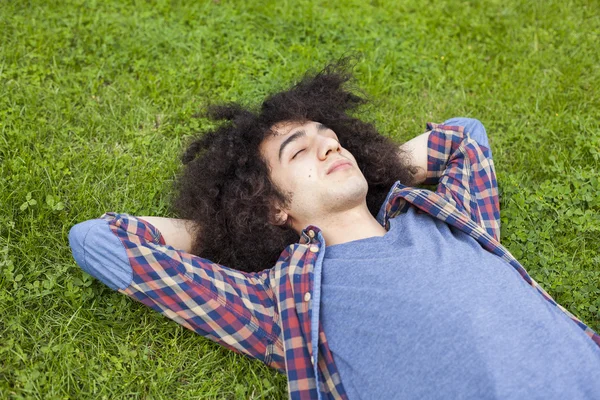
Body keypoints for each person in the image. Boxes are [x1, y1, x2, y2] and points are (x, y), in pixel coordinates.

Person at [68, 62, 600, 400]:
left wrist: (381, 170)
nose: (329, 146)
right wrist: (233, 227)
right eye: (298, 151)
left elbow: (464, 137)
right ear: (273, 205)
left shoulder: (449, 219)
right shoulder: (283, 300)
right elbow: (101, 242)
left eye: (332, 138)